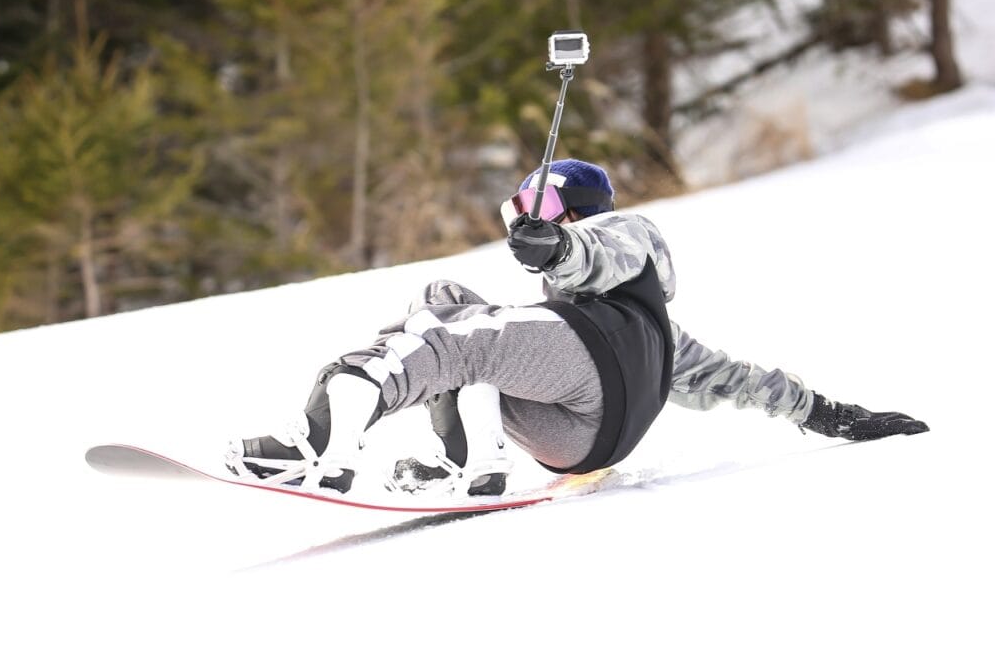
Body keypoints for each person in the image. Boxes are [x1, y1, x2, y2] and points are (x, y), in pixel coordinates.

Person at [227, 159, 929, 496]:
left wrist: (564, 250)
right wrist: (831, 413)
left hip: (592, 374)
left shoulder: (623, 238)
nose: (522, 226)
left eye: (537, 208)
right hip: (578, 439)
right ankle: (471, 457)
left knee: (451, 338)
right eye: (516, 216)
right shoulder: (669, 340)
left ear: (576, 209)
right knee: (441, 300)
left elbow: (602, 250)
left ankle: (318, 440)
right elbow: (745, 381)